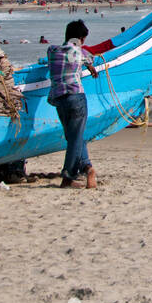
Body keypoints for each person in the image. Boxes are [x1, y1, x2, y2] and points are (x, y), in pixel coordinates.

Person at [47, 19, 100, 190]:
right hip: (76, 97)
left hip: (59, 98)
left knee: (74, 137)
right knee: (75, 138)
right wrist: (91, 67)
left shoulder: (52, 51)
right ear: (80, 39)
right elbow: (89, 58)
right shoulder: (80, 53)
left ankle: (87, 167)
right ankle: (70, 175)